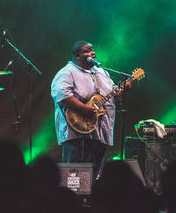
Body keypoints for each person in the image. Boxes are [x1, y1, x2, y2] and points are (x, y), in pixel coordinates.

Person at [51, 41, 130, 177]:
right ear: (77, 55)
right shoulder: (67, 72)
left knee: (93, 175)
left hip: (99, 133)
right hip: (77, 132)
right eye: (88, 50)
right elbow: (62, 95)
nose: (93, 53)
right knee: (75, 177)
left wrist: (121, 89)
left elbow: (111, 94)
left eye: (93, 50)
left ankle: (90, 198)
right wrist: (83, 108)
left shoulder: (101, 72)